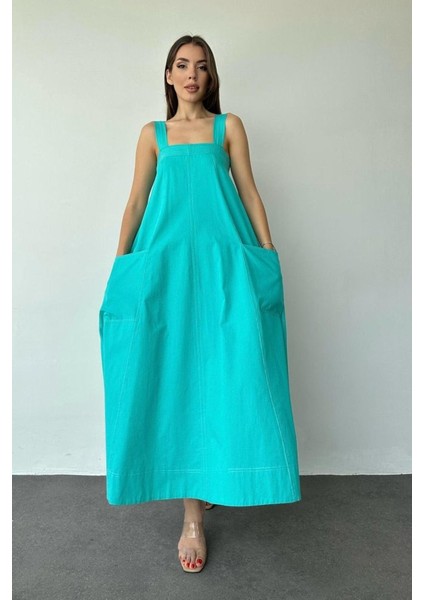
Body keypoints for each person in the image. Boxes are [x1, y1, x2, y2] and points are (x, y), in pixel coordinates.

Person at [99, 34, 301, 574]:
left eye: (202, 66)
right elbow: (136, 201)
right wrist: (122, 266)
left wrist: (267, 254)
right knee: (178, 380)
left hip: (222, 266)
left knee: (229, 374)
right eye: (182, 65)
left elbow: (249, 191)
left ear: (211, 77)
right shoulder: (153, 134)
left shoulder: (227, 127)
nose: (192, 74)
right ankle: (192, 517)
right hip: (165, 269)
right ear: (169, 75)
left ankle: (213, 480)